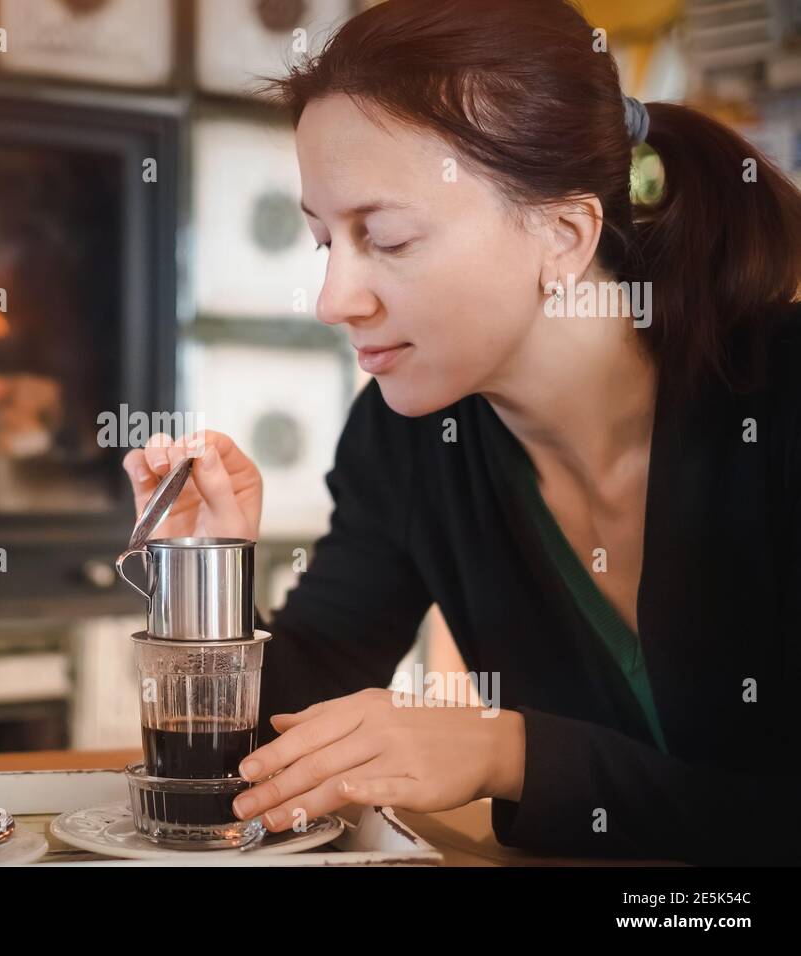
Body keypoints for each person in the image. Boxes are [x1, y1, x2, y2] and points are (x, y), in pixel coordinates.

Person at [123, 0, 801, 865]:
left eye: (389, 238)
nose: (335, 300)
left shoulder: (780, 403)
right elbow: (281, 742)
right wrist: (205, 583)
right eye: (324, 240)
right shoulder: (408, 439)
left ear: (564, 233)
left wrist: (508, 752)